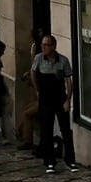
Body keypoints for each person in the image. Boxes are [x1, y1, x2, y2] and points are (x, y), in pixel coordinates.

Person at [30, 34, 78, 173]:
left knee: (66, 130)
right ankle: (49, 161)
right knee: (47, 130)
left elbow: (68, 80)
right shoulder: (39, 58)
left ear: (53, 46)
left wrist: (68, 99)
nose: (43, 47)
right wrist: (37, 90)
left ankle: (70, 160)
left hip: (59, 98)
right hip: (45, 99)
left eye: (46, 45)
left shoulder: (63, 60)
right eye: (42, 44)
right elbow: (33, 72)